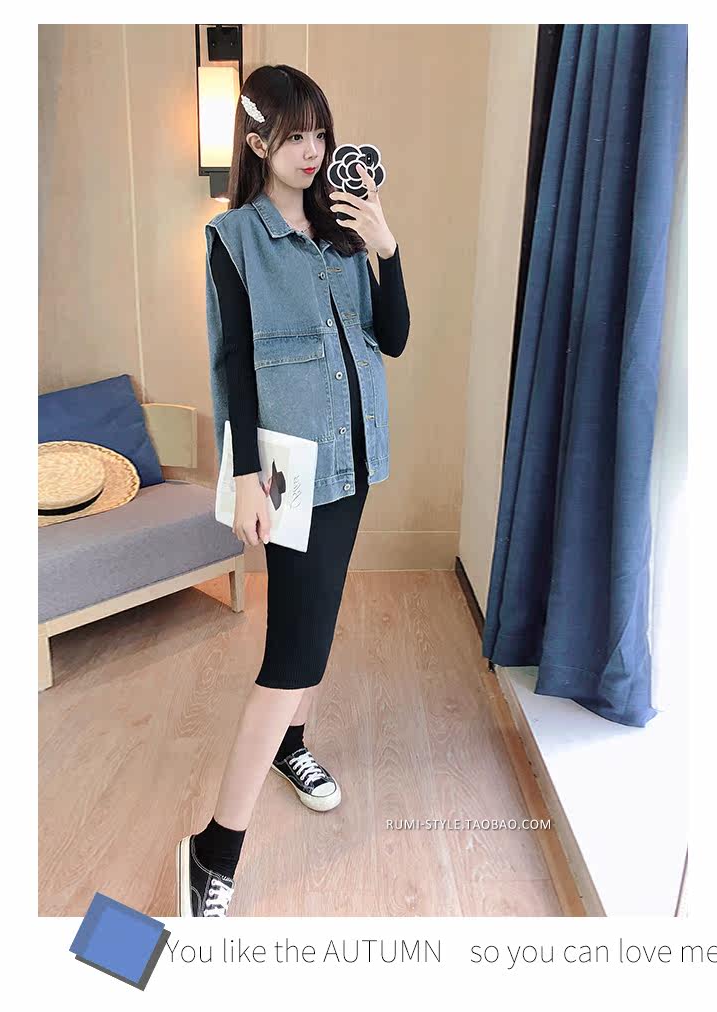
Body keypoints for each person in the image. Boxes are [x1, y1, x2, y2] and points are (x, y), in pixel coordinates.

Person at [176, 64, 410, 917]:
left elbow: (393, 338)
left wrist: (387, 248)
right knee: (292, 657)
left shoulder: (345, 229)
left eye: (320, 133)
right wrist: (243, 478)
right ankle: (213, 851)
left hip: (355, 461)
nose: (311, 151)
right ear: (256, 143)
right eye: (293, 135)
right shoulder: (233, 239)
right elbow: (233, 366)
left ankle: (292, 744)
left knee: (313, 628)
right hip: (287, 471)